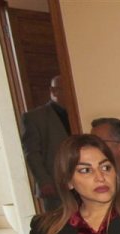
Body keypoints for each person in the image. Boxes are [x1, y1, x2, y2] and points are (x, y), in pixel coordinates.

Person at [21, 75, 70, 212]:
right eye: (66, 89)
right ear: (53, 91)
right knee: (58, 221)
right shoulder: (34, 117)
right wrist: (44, 181)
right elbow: (32, 153)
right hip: (54, 186)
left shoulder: (76, 112)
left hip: (80, 182)